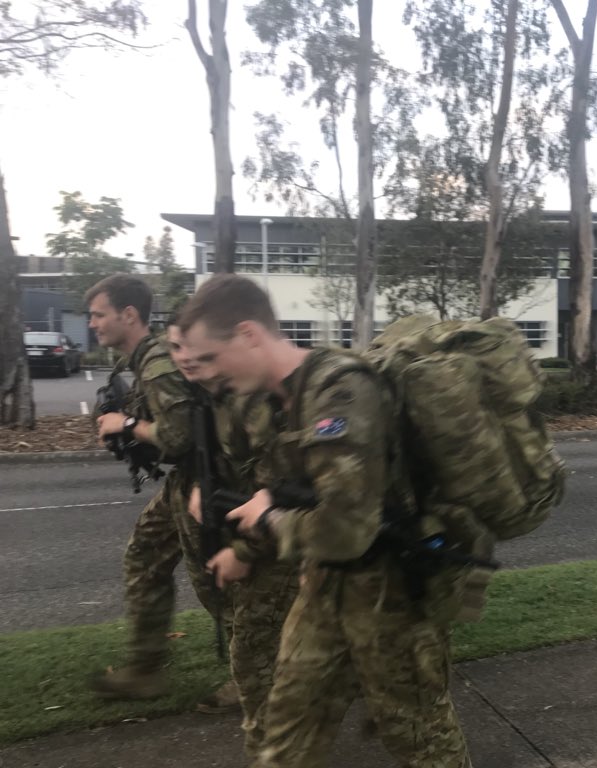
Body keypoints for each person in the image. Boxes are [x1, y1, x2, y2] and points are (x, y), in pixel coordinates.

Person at [177, 274, 473, 768]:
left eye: (210, 357)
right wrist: (246, 545)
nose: (204, 373)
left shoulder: (340, 391)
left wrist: (267, 520)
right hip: (324, 586)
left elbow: (345, 529)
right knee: (286, 728)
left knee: (419, 735)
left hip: (392, 596)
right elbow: (287, 493)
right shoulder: (280, 401)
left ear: (248, 334)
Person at [85, 275, 238, 713]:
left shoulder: (157, 362)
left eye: (98, 314)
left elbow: (180, 436)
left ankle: (255, 674)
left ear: (128, 314)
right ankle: (145, 669)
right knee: (145, 555)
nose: (92, 324)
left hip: (205, 479)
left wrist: (127, 425)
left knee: (216, 581)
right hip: (185, 480)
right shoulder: (144, 360)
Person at [167, 321, 300, 759]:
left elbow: (279, 489)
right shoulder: (210, 394)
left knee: (254, 650)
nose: (185, 357)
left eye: (196, 349)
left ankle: (274, 750)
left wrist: (244, 551)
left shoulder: (249, 397)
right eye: (176, 347)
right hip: (262, 530)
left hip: (281, 538)